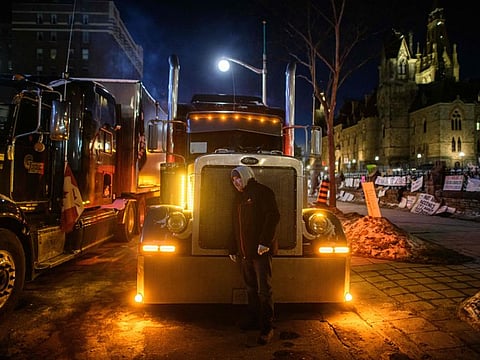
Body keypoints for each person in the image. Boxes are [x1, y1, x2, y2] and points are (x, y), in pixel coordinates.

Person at [228, 166, 280, 345]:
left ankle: (267, 327)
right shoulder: (238, 198)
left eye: (238, 178)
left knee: (264, 290)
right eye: (233, 180)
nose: (236, 182)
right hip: (244, 253)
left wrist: (265, 242)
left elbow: (273, 216)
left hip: (260, 252)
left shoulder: (263, 192)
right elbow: (235, 224)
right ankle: (253, 320)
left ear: (247, 176)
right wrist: (232, 248)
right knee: (250, 288)